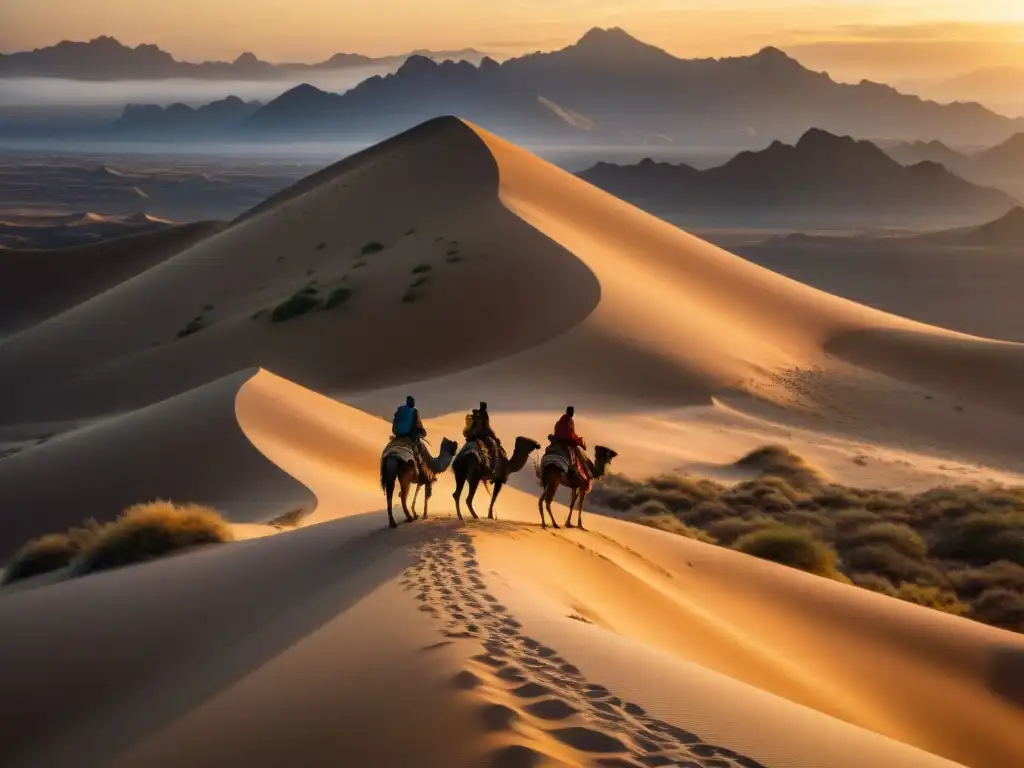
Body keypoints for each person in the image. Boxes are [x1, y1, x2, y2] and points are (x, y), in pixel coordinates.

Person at [552, 406, 592, 481]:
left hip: (557, 440)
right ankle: (574, 470)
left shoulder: (560, 421)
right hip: (566, 440)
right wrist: (579, 441)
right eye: (572, 412)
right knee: (577, 453)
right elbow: (571, 434)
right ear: (572, 413)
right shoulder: (569, 421)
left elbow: (559, 431)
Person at [465, 401, 504, 472]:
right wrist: (494, 438)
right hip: (482, 436)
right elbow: (487, 428)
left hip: (474, 436)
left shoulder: (476, 415)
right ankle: (492, 469)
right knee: (493, 446)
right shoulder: (482, 415)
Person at [392, 396, 428, 463]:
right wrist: (423, 432)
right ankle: (420, 466)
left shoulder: (400, 409)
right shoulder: (414, 411)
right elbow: (418, 424)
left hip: (398, 435)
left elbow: (394, 425)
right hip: (410, 436)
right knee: (419, 450)